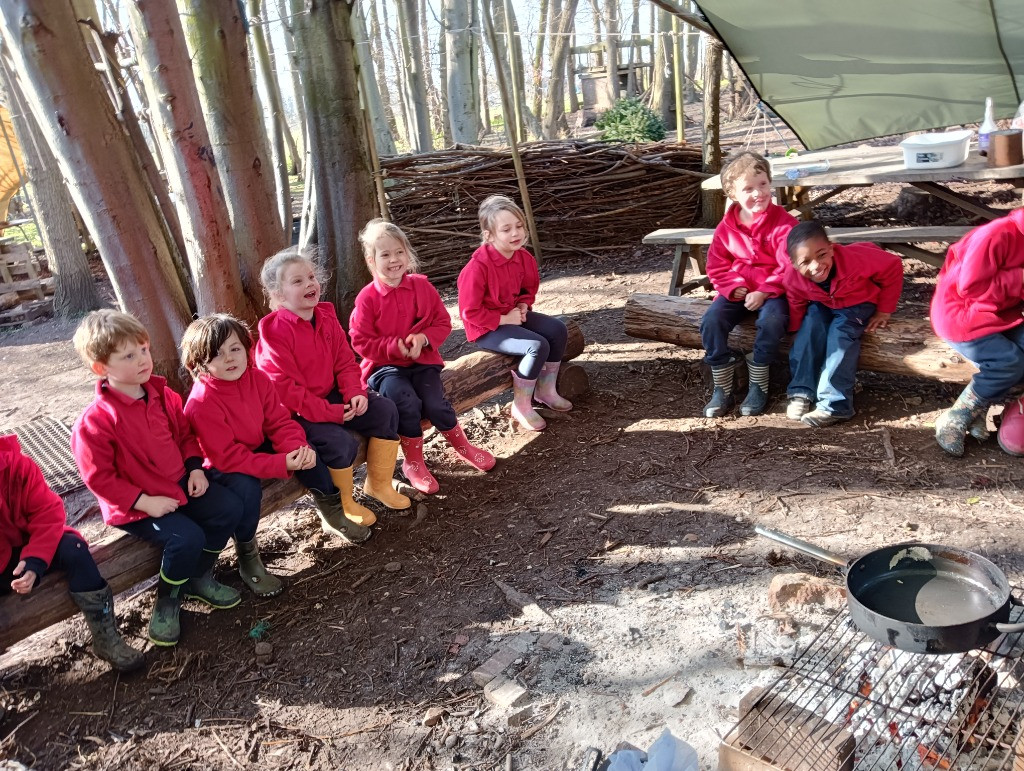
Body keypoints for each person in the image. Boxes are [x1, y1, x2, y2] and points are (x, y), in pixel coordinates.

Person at [70, 310, 247, 648]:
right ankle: (167, 600)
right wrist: (144, 502)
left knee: (228, 508)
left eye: (144, 349)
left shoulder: (163, 396)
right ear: (101, 368)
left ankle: (198, 575)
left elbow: (184, 437)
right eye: (128, 356)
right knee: (186, 537)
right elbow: (100, 478)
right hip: (136, 504)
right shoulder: (96, 421)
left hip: (178, 484)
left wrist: (195, 467)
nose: (142, 360)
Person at [181, 314, 344, 593]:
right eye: (217, 355)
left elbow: (278, 422)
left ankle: (335, 513)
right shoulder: (201, 402)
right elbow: (228, 457)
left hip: (256, 444)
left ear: (247, 348)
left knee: (309, 452)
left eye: (235, 349)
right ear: (200, 363)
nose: (230, 359)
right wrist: (279, 463)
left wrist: (294, 447)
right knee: (247, 490)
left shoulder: (258, 378)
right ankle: (248, 556)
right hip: (223, 463)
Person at [254, 246, 410, 536]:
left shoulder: (325, 315)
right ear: (277, 294)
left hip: (334, 397)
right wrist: (334, 413)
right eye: (297, 281)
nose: (310, 284)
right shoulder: (273, 334)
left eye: (311, 277)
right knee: (339, 444)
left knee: (385, 410)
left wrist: (356, 392)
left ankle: (379, 484)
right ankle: (343, 505)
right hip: (295, 413)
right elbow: (288, 393)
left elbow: (344, 361)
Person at [350, 219, 496, 494]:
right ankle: (413, 462)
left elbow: (442, 322)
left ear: (407, 254)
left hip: (423, 361)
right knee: (405, 401)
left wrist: (424, 339)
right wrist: (394, 348)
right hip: (385, 368)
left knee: (435, 402)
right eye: (385, 254)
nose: (393, 260)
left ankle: (462, 446)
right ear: (371, 261)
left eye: (399, 252)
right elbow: (360, 341)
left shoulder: (422, 288)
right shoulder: (367, 299)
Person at [1, 434, 144, 672]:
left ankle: (106, 638)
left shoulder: (17, 466)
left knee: (74, 550)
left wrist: (35, 560)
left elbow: (47, 511)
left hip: (32, 544)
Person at [457, 195, 572, 431]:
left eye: (519, 226)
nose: (515, 233)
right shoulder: (477, 268)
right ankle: (521, 405)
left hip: (512, 316)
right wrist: (503, 319)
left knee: (558, 329)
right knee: (536, 345)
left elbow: (527, 290)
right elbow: (469, 312)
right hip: (485, 327)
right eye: (506, 229)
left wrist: (522, 305)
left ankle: (546, 390)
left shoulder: (523, 258)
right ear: (489, 235)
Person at [700, 150, 794, 417]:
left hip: (774, 291)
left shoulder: (784, 224)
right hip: (737, 290)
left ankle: (759, 379)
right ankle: (722, 381)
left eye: (763, 184)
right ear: (733, 195)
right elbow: (717, 265)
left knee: (773, 320)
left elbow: (789, 265)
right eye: (748, 189)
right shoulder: (726, 228)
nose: (758, 193)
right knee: (711, 321)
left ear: (770, 182)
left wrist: (765, 291)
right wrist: (732, 287)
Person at [783, 221, 903, 426]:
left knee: (840, 336)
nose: (816, 266)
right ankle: (801, 391)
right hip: (824, 302)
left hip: (858, 302)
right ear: (794, 264)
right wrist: (795, 330)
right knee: (810, 325)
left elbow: (893, 266)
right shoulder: (792, 278)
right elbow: (796, 303)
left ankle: (835, 405)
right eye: (805, 262)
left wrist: (884, 310)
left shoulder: (857, 259)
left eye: (822, 255)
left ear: (831, 248)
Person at [931, 208, 1024, 456]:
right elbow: (970, 287)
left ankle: (990, 411)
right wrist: (1020, 278)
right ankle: (959, 414)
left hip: (1002, 314)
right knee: (1008, 362)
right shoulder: (996, 235)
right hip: (963, 315)